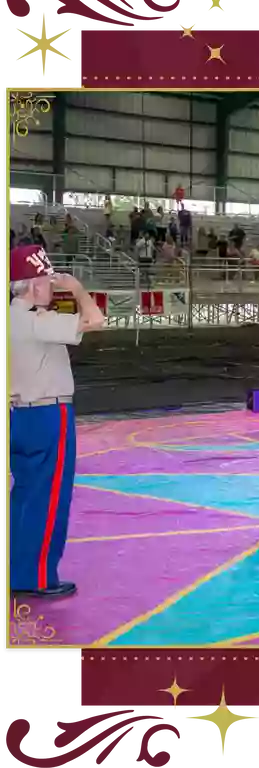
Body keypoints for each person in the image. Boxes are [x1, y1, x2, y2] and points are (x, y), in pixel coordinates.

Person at [10, 245, 105, 597]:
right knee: (49, 498)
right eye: (48, 281)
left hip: (16, 414)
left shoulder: (11, 318)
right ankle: (36, 578)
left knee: (22, 495)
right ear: (34, 285)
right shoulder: (38, 322)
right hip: (48, 414)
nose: (52, 288)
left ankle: (14, 569)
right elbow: (95, 320)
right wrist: (78, 289)